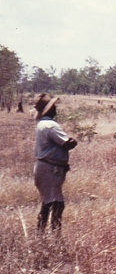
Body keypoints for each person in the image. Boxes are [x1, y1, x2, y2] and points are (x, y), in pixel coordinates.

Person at [33, 94, 77, 232]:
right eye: (53, 106)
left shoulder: (42, 124)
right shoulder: (51, 125)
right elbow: (67, 144)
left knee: (47, 203)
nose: (56, 108)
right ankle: (56, 236)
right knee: (57, 204)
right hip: (51, 169)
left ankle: (40, 235)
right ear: (49, 109)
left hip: (44, 167)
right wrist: (74, 141)